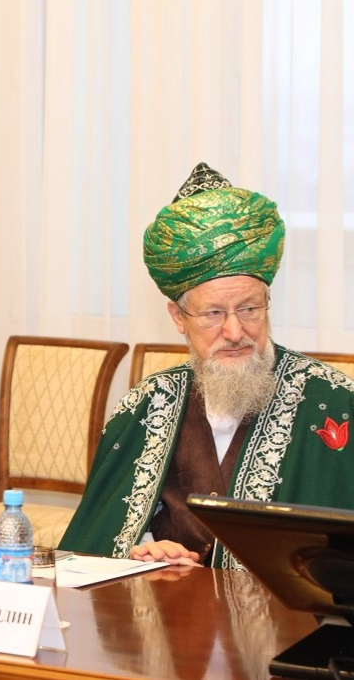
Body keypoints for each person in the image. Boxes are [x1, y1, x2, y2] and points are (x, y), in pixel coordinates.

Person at [58, 163, 354, 568]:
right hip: (167, 602)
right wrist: (149, 549)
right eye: (213, 313)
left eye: (249, 309)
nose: (234, 331)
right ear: (178, 318)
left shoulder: (333, 400)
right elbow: (103, 537)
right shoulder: (147, 403)